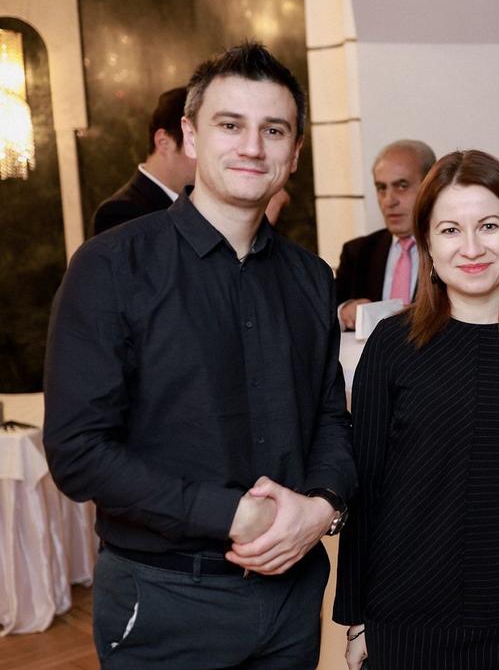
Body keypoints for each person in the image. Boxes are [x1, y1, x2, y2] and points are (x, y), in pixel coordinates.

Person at [43, 42, 355, 668]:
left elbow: (330, 419)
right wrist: (231, 514)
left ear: (295, 152)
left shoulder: (311, 278)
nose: (252, 147)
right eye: (230, 125)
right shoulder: (111, 266)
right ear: (190, 135)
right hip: (165, 597)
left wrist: (323, 506)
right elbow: (78, 451)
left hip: (293, 599)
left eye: (273, 130)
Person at [334, 150, 499, 670]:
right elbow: (367, 486)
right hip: (402, 613)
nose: (472, 248)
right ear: (428, 242)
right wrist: (355, 614)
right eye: (450, 230)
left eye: (489, 226)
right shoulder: (390, 344)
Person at [335, 140, 437, 330]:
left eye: (402, 186)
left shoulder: (452, 251)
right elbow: (322, 314)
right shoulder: (358, 252)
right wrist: (344, 312)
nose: (389, 201)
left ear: (430, 187)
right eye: (381, 188)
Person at [92, 86, 196, 235]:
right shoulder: (119, 213)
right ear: (164, 143)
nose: (209, 158)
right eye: (197, 146)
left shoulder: (195, 203)